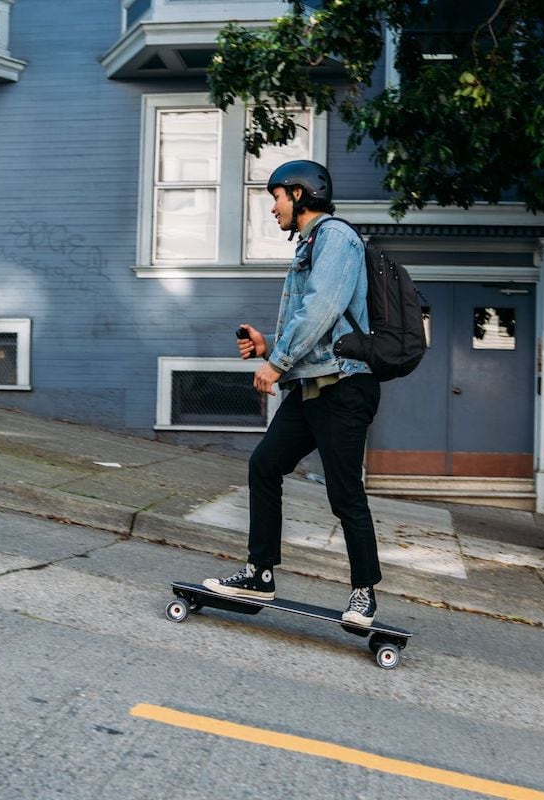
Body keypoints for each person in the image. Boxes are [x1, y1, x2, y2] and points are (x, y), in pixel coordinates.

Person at [202, 159, 383, 626]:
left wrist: (278, 362)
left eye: (276, 198)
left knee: (344, 494)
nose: (273, 209)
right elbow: (315, 317)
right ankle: (260, 573)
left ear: (299, 194)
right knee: (265, 465)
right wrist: (271, 346)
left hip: (344, 386)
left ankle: (364, 592)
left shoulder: (336, 237)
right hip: (312, 384)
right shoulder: (311, 243)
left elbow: (323, 307)